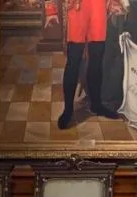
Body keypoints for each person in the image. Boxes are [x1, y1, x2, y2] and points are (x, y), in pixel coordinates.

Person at [45, 0, 122, 129]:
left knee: (97, 61)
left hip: (98, 6)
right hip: (76, 8)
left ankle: (96, 105)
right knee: (73, 62)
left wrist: (113, 3)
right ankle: (68, 110)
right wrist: (51, 10)